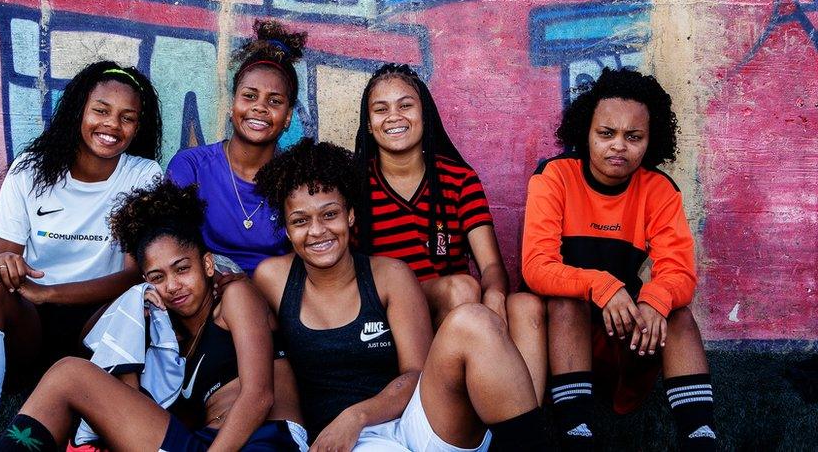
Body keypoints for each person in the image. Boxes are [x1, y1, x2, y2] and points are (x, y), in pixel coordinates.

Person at [253, 139, 547, 452]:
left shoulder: (390, 276)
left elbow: (415, 373)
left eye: (329, 214)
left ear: (350, 216)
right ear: (286, 229)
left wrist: (357, 415)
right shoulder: (273, 279)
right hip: (345, 443)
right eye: (300, 221)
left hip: (412, 421)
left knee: (473, 319)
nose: (317, 231)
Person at [0, 178, 309, 452]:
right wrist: (137, 314)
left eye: (182, 269)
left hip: (269, 439)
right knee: (69, 375)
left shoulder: (235, 297)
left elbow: (259, 396)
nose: (172, 286)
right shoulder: (171, 344)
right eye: (157, 277)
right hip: (204, 442)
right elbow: (136, 408)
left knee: (68, 374)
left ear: (208, 265)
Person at [0, 61, 163, 452]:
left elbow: (136, 274)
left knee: (145, 301)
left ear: (138, 126)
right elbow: (3, 259)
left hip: (99, 324)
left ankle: (105, 429)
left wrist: (50, 293)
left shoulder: (143, 175)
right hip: (29, 328)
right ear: (79, 110)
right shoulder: (31, 170)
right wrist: (8, 267)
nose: (112, 125)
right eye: (101, 111)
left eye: (127, 118)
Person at [521, 68, 717, 451]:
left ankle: (700, 438)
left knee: (676, 312)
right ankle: (575, 433)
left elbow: (678, 271)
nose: (618, 147)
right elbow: (536, 266)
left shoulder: (659, 189)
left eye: (633, 137)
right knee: (566, 302)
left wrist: (655, 300)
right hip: (562, 342)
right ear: (586, 132)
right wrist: (601, 285)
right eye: (606, 133)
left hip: (628, 338)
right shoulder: (554, 177)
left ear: (650, 140)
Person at [353, 63, 547, 402]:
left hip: (459, 306)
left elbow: (491, 266)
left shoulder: (458, 179)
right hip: (388, 313)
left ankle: (520, 427)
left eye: (405, 105)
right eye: (381, 109)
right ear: (369, 125)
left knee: (526, 307)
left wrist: (496, 298)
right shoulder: (355, 187)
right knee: (462, 286)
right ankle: (455, 409)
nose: (394, 116)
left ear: (425, 113)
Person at [167, 20, 307, 275]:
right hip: (208, 296)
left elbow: (307, 256)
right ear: (233, 105)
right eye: (249, 96)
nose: (260, 107)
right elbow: (173, 246)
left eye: (274, 101)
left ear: (287, 117)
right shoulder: (191, 167)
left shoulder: (298, 177)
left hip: (277, 295)